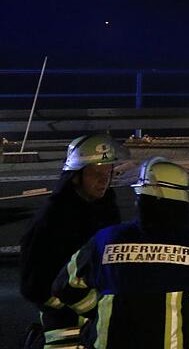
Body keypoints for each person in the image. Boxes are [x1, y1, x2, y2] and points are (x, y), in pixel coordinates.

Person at [48, 157, 189, 349]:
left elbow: (65, 286)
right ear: (182, 203)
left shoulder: (105, 238)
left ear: (140, 199)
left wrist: (96, 310)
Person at [19, 134, 126, 349]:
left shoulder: (107, 210)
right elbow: (33, 286)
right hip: (64, 329)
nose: (104, 180)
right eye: (97, 173)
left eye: (108, 172)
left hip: (99, 324)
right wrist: (83, 305)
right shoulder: (51, 219)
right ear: (76, 176)